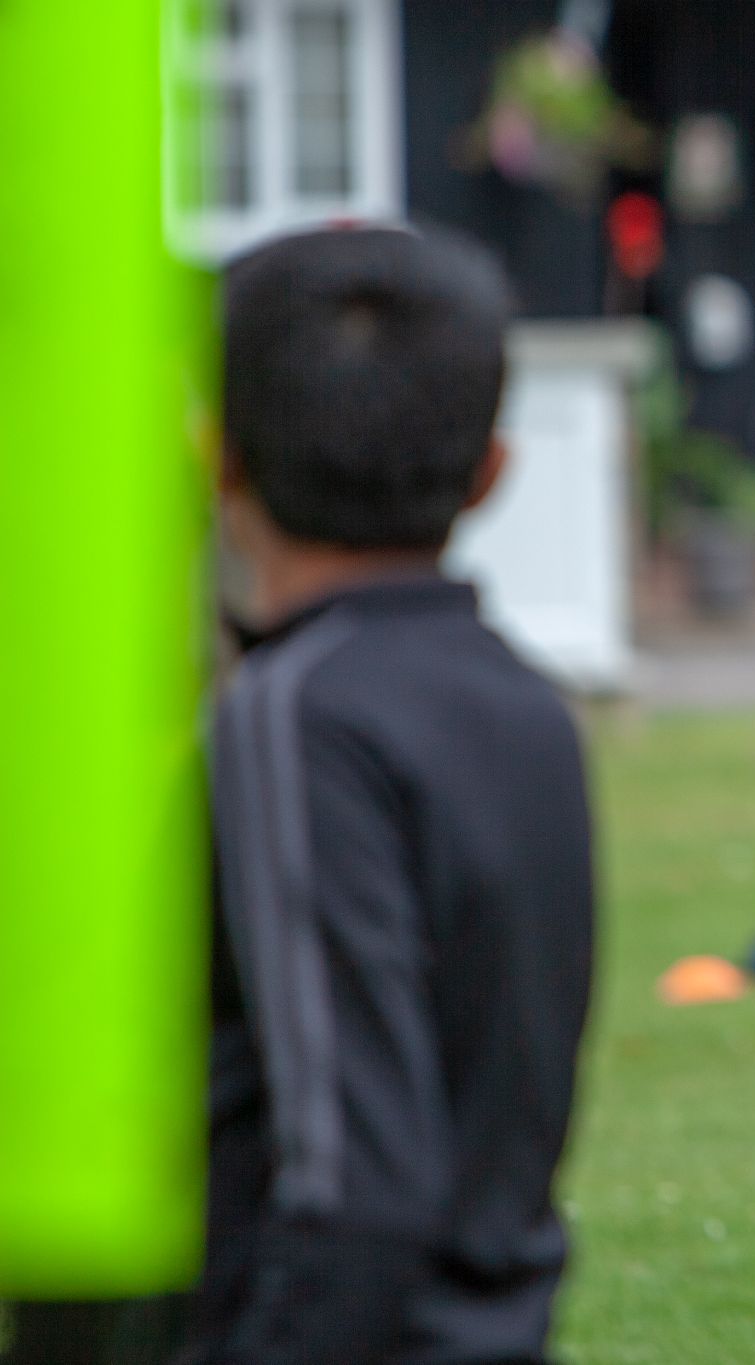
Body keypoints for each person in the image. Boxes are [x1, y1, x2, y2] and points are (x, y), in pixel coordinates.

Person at [178, 227, 595, 1364]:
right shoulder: (529, 708)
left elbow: (354, 1182)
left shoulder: (292, 714)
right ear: (491, 471)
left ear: (218, 457)